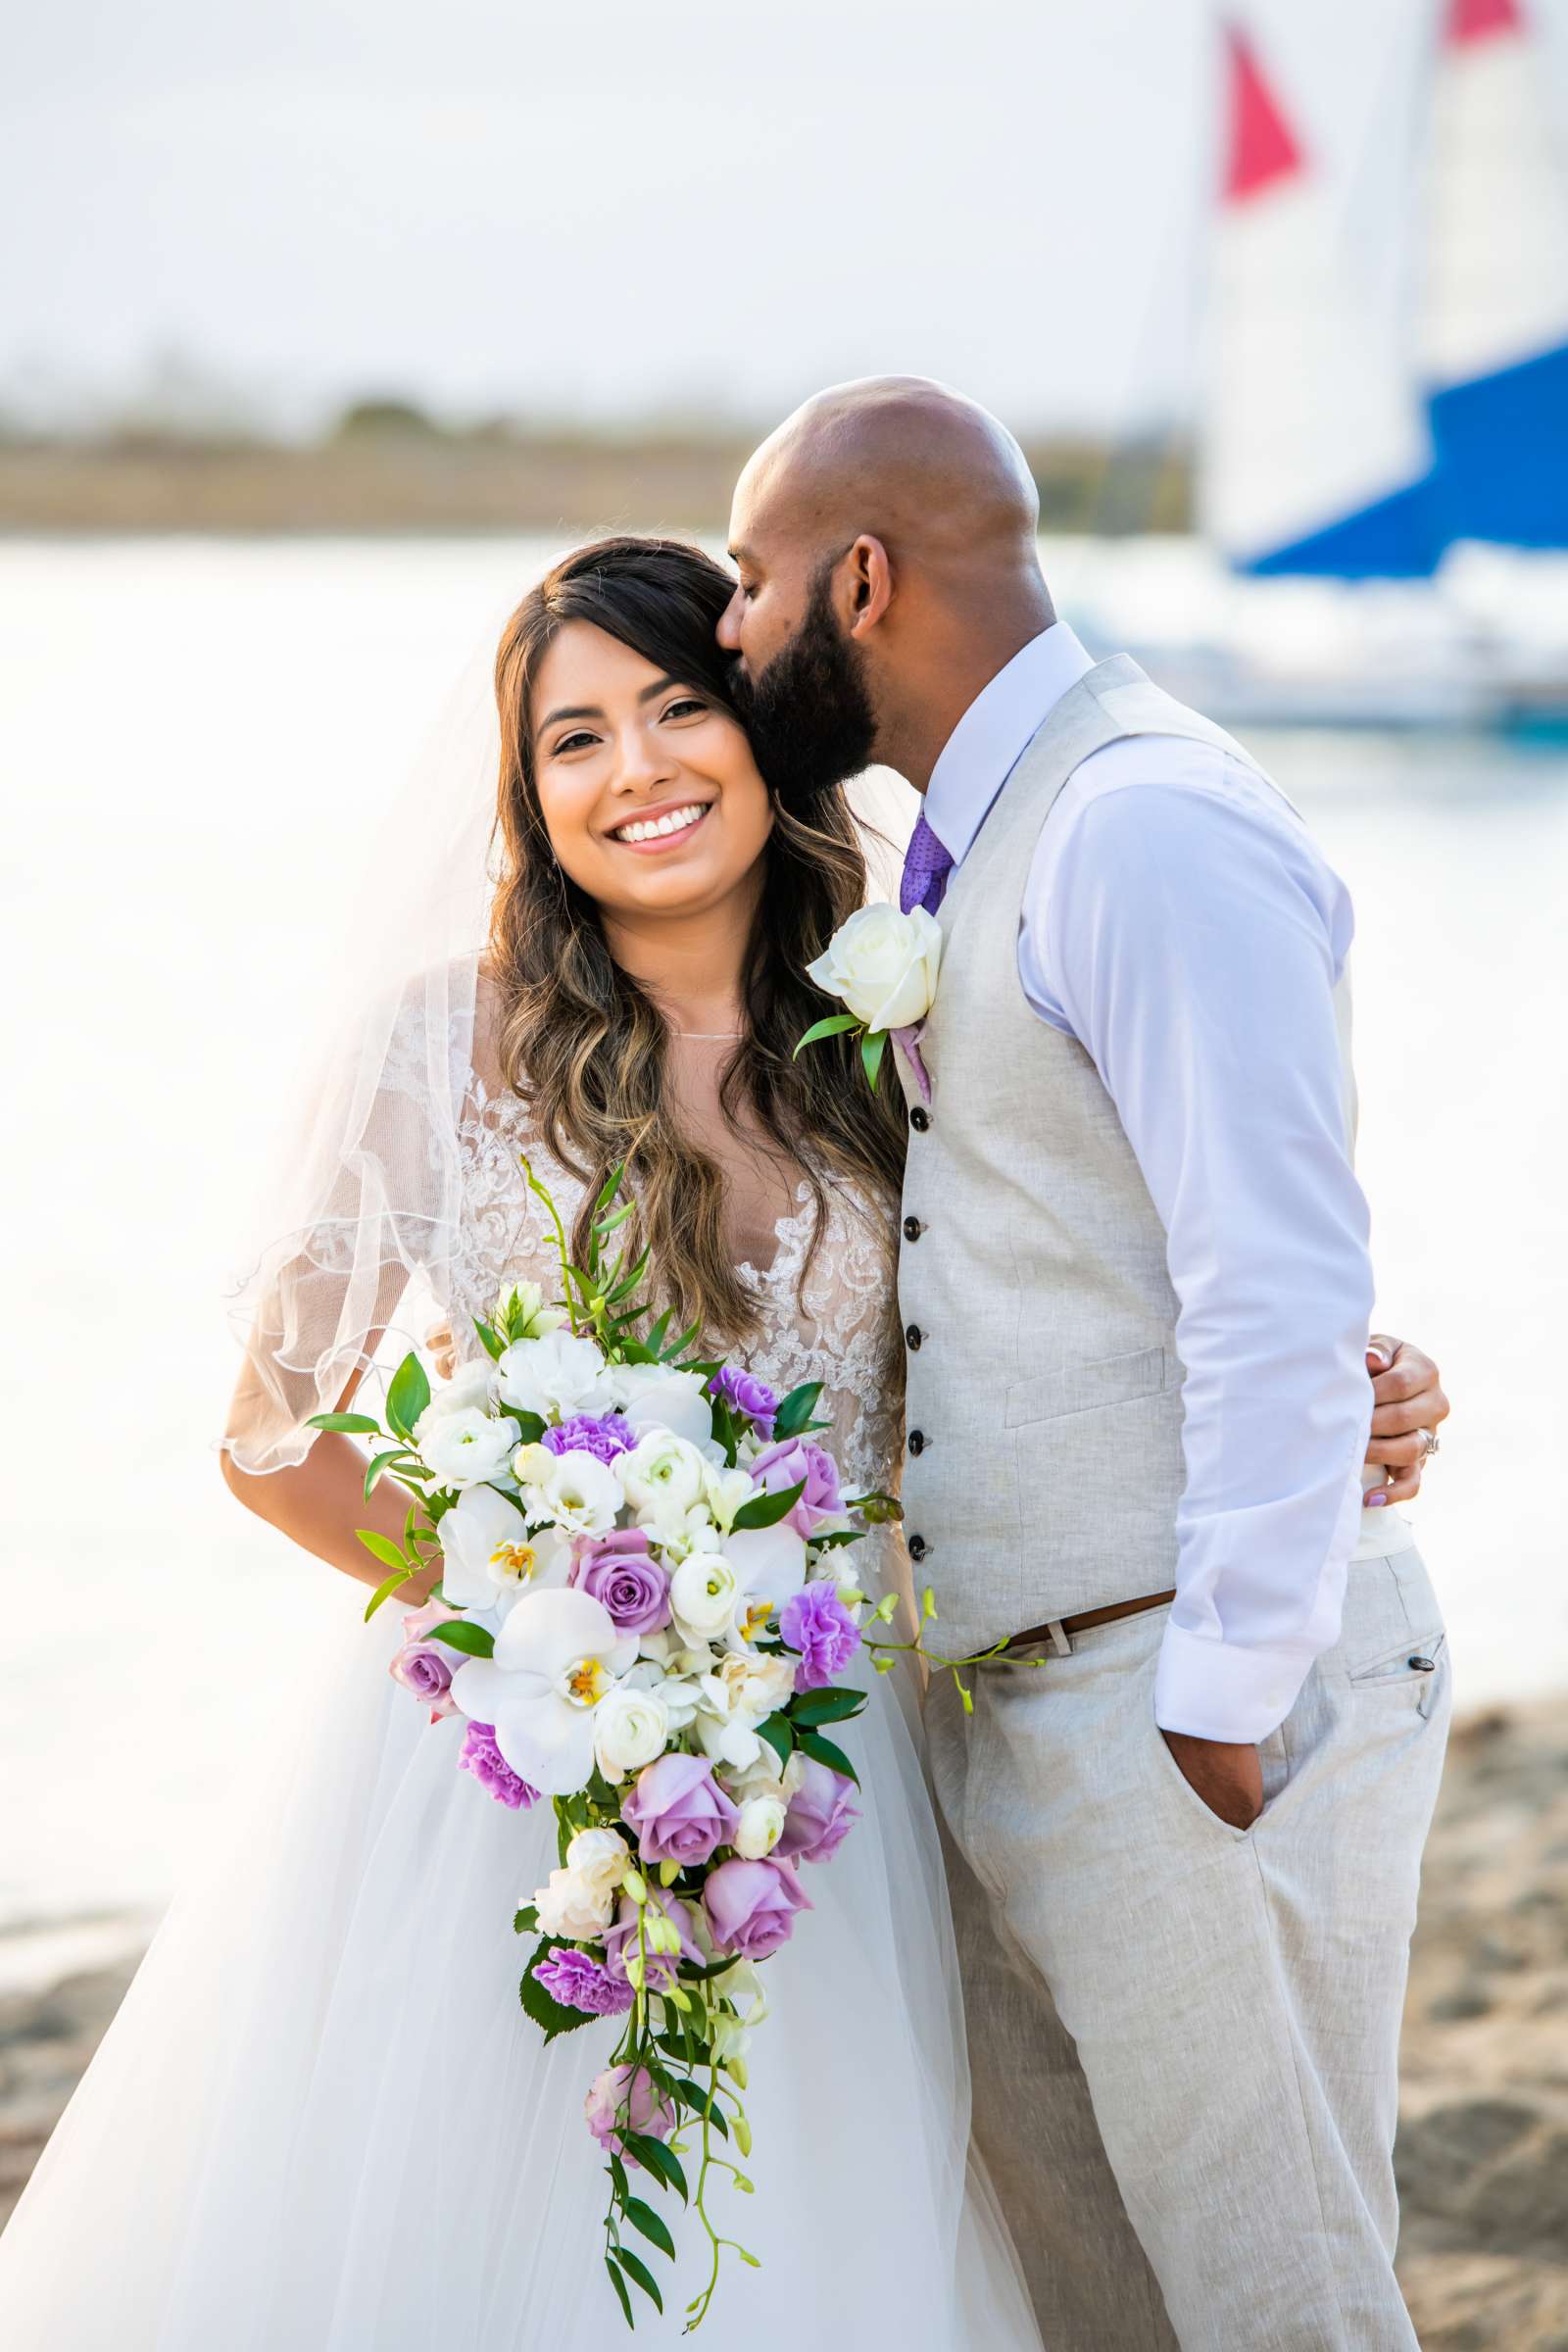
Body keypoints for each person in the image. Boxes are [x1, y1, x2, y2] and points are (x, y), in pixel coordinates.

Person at [0, 534, 1447, 2350]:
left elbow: (1079, 1308)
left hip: (833, 1784)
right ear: (526, 798)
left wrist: (1347, 1377)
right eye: (576, 741)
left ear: (767, 733)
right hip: (504, 1783)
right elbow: (273, 1439)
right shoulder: (444, 1047)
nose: (640, 773)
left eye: (682, 709)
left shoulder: (890, 1037)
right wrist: (553, 1642)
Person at [717, 376, 1454, 2351]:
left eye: (749, 573)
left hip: (1177, 1705)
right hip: (1019, 1695)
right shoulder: (957, 846)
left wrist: (1219, 1703)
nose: (727, 626)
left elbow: (1274, 1267)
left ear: (857, 580)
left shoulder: (1141, 824)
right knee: (1103, 2313)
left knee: (1273, 2298)